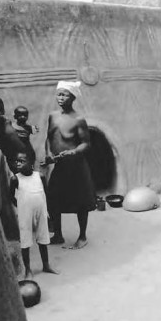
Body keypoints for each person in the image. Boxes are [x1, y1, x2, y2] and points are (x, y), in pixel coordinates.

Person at [41, 81, 96, 249]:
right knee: (53, 199)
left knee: (81, 201)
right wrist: (49, 155)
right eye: (59, 94)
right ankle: (58, 234)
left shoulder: (78, 120)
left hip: (76, 167)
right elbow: (48, 138)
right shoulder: (53, 116)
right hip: (59, 165)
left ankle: (82, 236)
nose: (61, 97)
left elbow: (86, 143)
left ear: (72, 98)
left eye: (65, 94)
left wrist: (73, 152)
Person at [9, 152, 59, 280]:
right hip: (25, 213)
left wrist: (46, 211)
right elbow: (11, 197)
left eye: (22, 161)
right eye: (16, 161)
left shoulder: (40, 176)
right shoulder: (15, 179)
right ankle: (28, 270)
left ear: (31, 163)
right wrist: (22, 206)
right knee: (26, 241)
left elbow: (46, 193)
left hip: (41, 211)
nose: (18, 163)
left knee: (43, 237)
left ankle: (46, 265)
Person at [0, 96, 27, 174]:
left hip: (15, 155)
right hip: (13, 155)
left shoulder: (5, 125)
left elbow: (17, 143)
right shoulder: (0, 124)